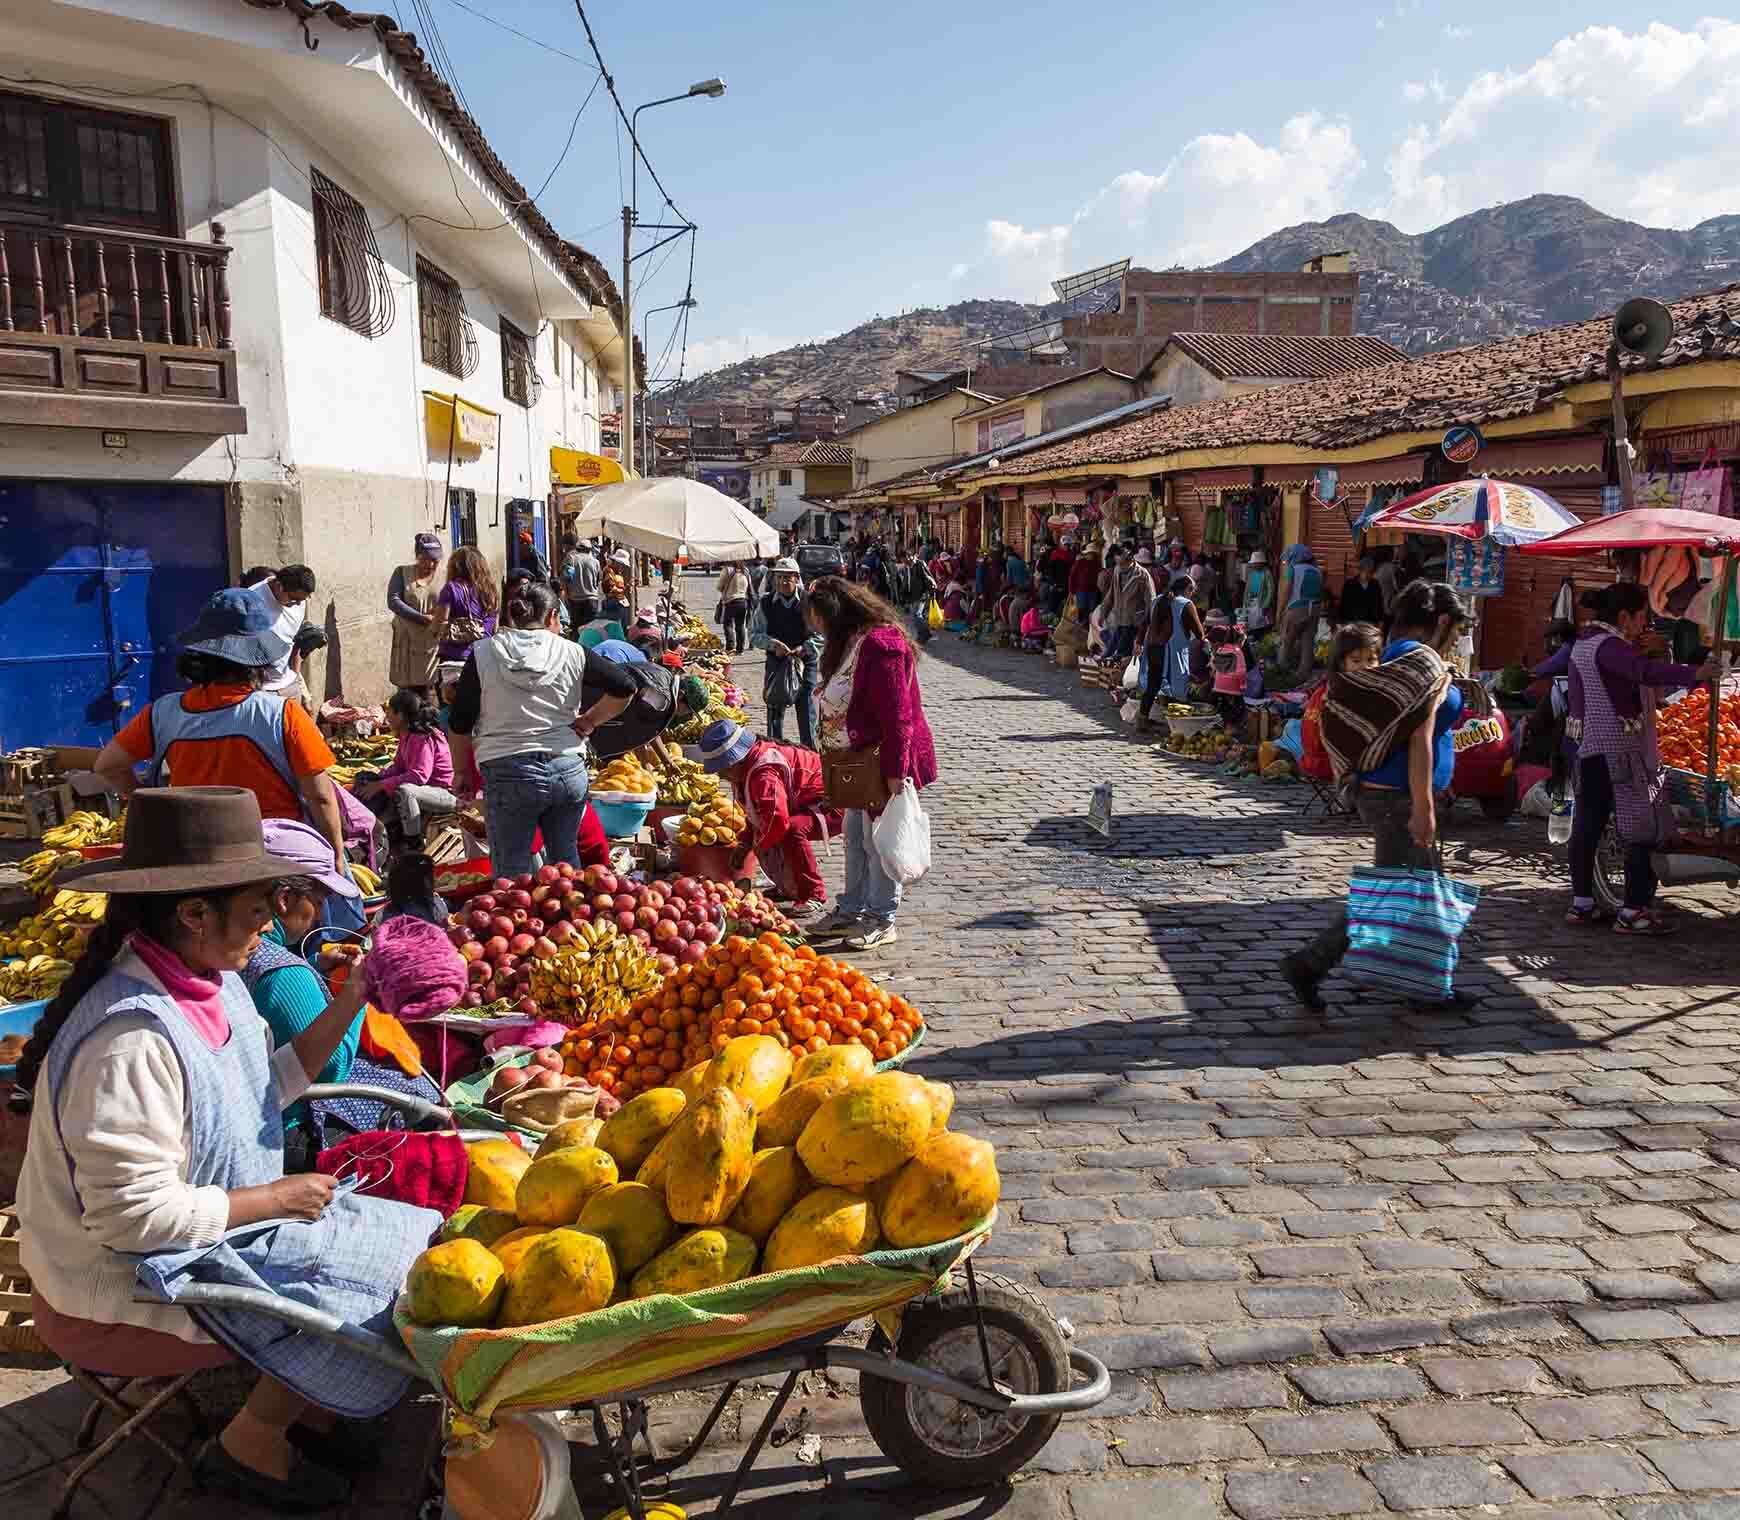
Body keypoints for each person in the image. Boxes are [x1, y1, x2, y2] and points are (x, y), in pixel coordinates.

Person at [14, 787, 437, 1510]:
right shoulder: (131, 1041)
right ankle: (250, 1445)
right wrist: (276, 1197)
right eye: (256, 906)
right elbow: (130, 1222)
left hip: (202, 1240)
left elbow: (258, 1088)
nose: (270, 921)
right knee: (376, 1293)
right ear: (192, 913)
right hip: (120, 1289)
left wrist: (349, 999)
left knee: (417, 1243)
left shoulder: (215, 982)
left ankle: (317, 1407)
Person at [1281, 581, 1473, 1012]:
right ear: (1442, 622)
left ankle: (1426, 984)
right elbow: (1420, 739)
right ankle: (1310, 965)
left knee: (1417, 891)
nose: (1458, 638)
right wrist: (1423, 808)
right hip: (1399, 799)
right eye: (1457, 628)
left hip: (1392, 794)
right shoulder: (1418, 661)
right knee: (1393, 894)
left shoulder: (1392, 655)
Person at [94, 590, 346, 867]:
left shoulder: (162, 713)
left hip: (195, 852)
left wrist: (145, 799)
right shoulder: (283, 714)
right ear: (259, 656)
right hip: (272, 856)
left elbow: (108, 765)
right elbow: (320, 796)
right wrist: (335, 853)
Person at [446, 580, 637, 879]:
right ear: (551, 618)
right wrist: (590, 720)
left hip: (508, 775)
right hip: (566, 772)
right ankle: (573, 923)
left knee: (511, 873)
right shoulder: (573, 651)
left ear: (511, 617)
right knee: (566, 868)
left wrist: (461, 772)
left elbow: (459, 722)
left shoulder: (483, 653)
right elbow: (625, 687)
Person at [1564, 582, 1715, 934]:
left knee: (1587, 827)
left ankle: (1582, 904)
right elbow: (1644, 674)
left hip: (1590, 748)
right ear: (1624, 616)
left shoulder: (1585, 643)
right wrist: (1697, 673)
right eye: (1642, 616)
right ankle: (1633, 912)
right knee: (1642, 829)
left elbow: (1641, 677)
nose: (1645, 623)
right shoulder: (1611, 647)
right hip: (1621, 752)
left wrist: (1656, 652)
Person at [804, 576, 937, 952]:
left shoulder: (882, 646)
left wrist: (897, 773)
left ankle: (881, 917)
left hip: (881, 761)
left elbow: (898, 717)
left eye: (821, 619)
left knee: (878, 841)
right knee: (855, 837)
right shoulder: (849, 642)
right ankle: (853, 908)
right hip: (856, 762)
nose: (818, 626)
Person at [698, 719, 841, 920]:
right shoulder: (747, 769)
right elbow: (757, 813)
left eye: (723, 770)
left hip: (837, 801)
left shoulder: (764, 774)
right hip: (806, 802)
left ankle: (813, 893)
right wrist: (744, 843)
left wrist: (757, 847)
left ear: (735, 761)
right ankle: (787, 887)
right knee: (769, 833)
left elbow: (777, 820)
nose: (722, 776)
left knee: (791, 830)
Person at [352, 689, 457, 851]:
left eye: (390, 713)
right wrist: (377, 779)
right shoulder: (406, 735)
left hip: (442, 793)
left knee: (405, 791)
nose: (387, 717)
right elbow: (399, 768)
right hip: (423, 789)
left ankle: (413, 843)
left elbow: (419, 776)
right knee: (367, 778)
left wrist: (382, 785)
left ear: (400, 715)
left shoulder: (421, 737)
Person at [1299, 623, 1382, 784]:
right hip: (1333, 765)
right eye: (1356, 661)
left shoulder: (1328, 688)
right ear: (1342, 663)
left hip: (1313, 762)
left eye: (1371, 660)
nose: (1365, 667)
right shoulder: (1344, 693)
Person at [1137, 574, 1207, 731]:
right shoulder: (1185, 604)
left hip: (1153, 649)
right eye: (1192, 591)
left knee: (1153, 685)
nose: (1192, 595)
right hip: (1172, 652)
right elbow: (1199, 633)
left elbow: (1144, 624)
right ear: (1188, 589)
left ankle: (1142, 718)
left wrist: (1138, 643)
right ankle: (1180, 726)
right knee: (1179, 686)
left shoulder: (1156, 600)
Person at [243, 565, 317, 713]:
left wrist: (298, 682)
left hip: (290, 684)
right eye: (294, 599)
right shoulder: (250, 601)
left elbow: (293, 641)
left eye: (301, 600)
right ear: (279, 586)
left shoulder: (299, 601)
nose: (297, 604)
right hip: (261, 691)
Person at [760, 558, 817, 747]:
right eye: (779, 577)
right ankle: (775, 749)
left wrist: (805, 648)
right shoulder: (766, 603)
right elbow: (754, 633)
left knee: (806, 708)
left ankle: (810, 751)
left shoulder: (810, 602)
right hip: (777, 662)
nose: (783, 582)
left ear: (797, 578)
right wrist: (772, 644)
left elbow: (823, 633)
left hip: (805, 662)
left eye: (788, 577)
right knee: (775, 708)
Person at [386, 533, 444, 697]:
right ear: (417, 556)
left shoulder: (444, 577)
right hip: (406, 643)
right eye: (426, 559)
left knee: (430, 691)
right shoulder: (402, 573)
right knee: (408, 694)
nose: (432, 564)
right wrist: (422, 618)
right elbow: (393, 601)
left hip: (432, 644)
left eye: (436, 560)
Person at [429, 545, 499, 668]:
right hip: (485, 655)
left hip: (456, 657)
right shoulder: (491, 591)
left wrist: (431, 628)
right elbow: (494, 628)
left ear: (455, 567)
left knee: (452, 687)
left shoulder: (451, 589)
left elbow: (439, 624)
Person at [1278, 547, 1325, 682]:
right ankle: (1303, 677)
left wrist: (1279, 612)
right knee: (1307, 644)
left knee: (1287, 642)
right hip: (1315, 610)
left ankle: (1281, 674)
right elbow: (1320, 593)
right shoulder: (1317, 571)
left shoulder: (1294, 569)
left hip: (1297, 609)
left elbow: (1286, 591)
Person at [1106, 547, 1156, 664]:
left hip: (1135, 620)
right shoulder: (1117, 571)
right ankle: (1111, 661)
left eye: (1122, 564)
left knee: (1124, 650)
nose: (1120, 566)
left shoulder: (1143, 575)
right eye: (1118, 563)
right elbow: (1111, 593)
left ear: (1131, 561)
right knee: (1116, 645)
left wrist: (1149, 620)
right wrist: (1104, 612)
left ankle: (1119, 666)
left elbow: (1151, 600)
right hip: (1121, 617)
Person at [560, 535, 602, 629]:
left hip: (576, 599)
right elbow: (598, 579)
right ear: (589, 549)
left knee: (576, 629)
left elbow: (567, 577)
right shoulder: (596, 562)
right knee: (590, 629)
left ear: (578, 548)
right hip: (592, 600)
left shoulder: (571, 559)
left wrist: (567, 593)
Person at [1339, 554, 1385, 628]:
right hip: (1353, 622)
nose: (1368, 575)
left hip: (1369, 622)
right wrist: (1342, 622)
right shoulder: (1350, 584)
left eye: (1370, 572)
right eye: (1366, 571)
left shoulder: (1375, 584)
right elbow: (1343, 604)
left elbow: (1379, 603)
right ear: (1360, 570)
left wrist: (1380, 620)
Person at [716, 560, 751, 654]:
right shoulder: (745, 571)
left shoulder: (727, 570)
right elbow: (749, 586)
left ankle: (730, 647)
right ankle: (740, 649)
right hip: (743, 601)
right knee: (740, 625)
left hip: (730, 601)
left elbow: (719, 587)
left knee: (728, 624)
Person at [1241, 548, 1276, 634]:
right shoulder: (1251, 573)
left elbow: (1270, 591)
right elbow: (1247, 589)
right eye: (1253, 563)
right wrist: (1244, 604)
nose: (1253, 565)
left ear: (1261, 563)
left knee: (1259, 626)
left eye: (1255, 563)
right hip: (1250, 602)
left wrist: (1265, 605)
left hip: (1260, 603)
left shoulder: (1267, 573)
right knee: (1249, 625)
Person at [1069, 539, 1102, 620]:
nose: (1093, 555)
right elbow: (1072, 577)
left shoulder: (1097, 563)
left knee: (1092, 611)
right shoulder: (1079, 562)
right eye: (1091, 553)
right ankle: (1081, 627)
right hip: (1081, 591)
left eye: (1094, 553)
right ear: (1088, 553)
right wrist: (1072, 592)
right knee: (1081, 610)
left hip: (1093, 591)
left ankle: (1088, 629)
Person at [602, 550, 633, 625]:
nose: (621, 567)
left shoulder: (615, 571)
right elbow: (609, 588)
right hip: (613, 602)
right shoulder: (609, 571)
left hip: (617, 601)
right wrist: (623, 589)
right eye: (621, 564)